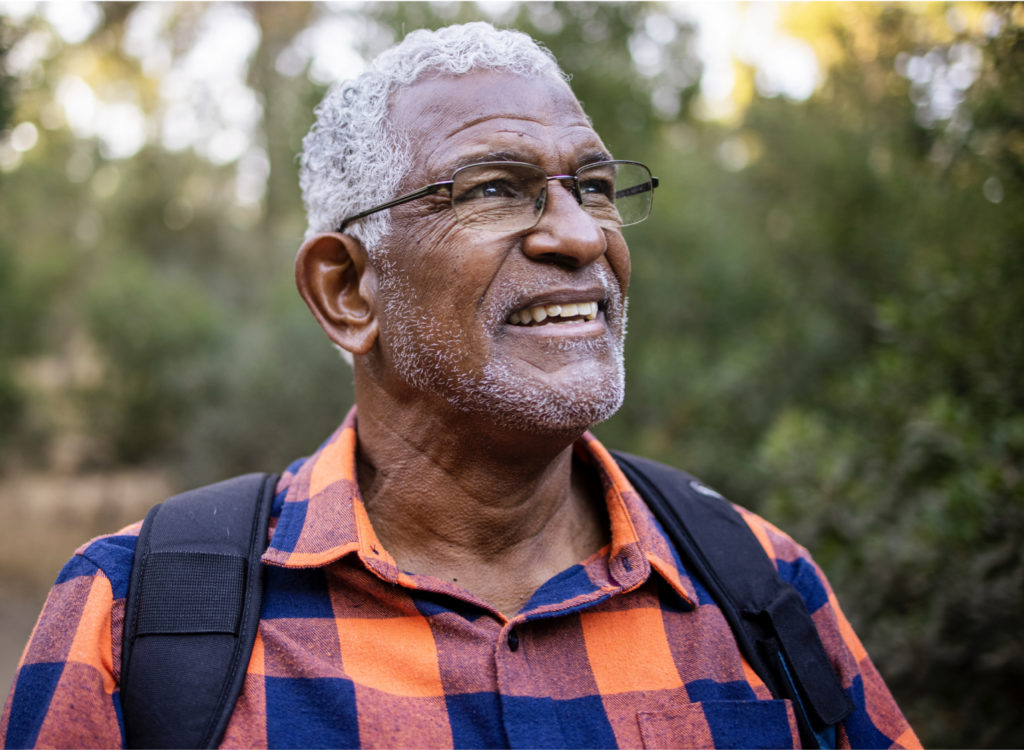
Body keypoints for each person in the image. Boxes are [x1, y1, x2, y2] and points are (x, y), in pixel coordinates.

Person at [1, 22, 919, 749]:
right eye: (494, 189)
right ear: (347, 290)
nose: (582, 236)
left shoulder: (761, 587)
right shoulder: (132, 621)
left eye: (593, 186)